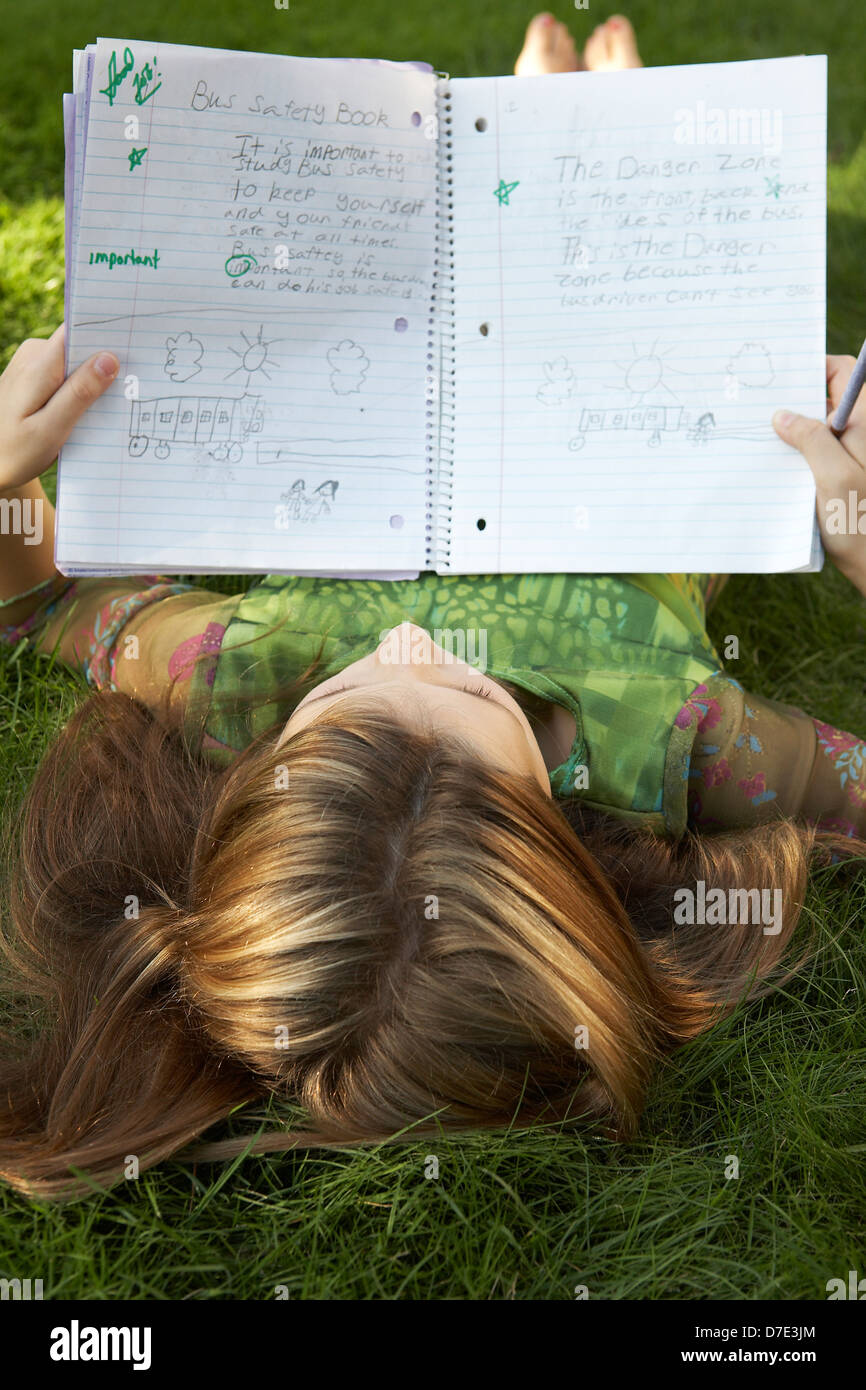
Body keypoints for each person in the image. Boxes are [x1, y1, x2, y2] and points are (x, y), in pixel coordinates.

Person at [0, 17, 863, 1202]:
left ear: (262, 780)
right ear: (562, 833)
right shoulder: (680, 742)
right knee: (633, 199)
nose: (413, 644)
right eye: (464, 691)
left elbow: (46, 602)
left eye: (351, 692)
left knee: (525, 166)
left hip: (401, 346)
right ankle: (604, 131)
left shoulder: (234, 675)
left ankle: (546, 120)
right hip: (627, 409)